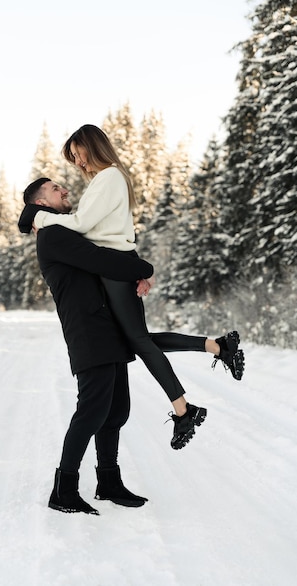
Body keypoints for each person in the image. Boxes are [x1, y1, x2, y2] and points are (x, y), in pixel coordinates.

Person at [26, 125, 245, 450]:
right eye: (73, 159)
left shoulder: (109, 177)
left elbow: (84, 226)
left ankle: (185, 406)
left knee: (139, 341)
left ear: (91, 146)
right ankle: (217, 349)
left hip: (114, 268)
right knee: (133, 340)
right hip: (116, 265)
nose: (78, 163)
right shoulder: (108, 179)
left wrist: (39, 217)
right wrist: (136, 264)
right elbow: (116, 230)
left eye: (78, 154)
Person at [18, 177, 156, 515]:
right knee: (92, 411)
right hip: (88, 331)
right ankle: (63, 490)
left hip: (105, 327)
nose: (64, 190)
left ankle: (108, 481)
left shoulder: (63, 231)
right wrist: (145, 268)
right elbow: (103, 261)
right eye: (55, 189)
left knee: (117, 409)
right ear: (40, 203)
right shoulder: (54, 236)